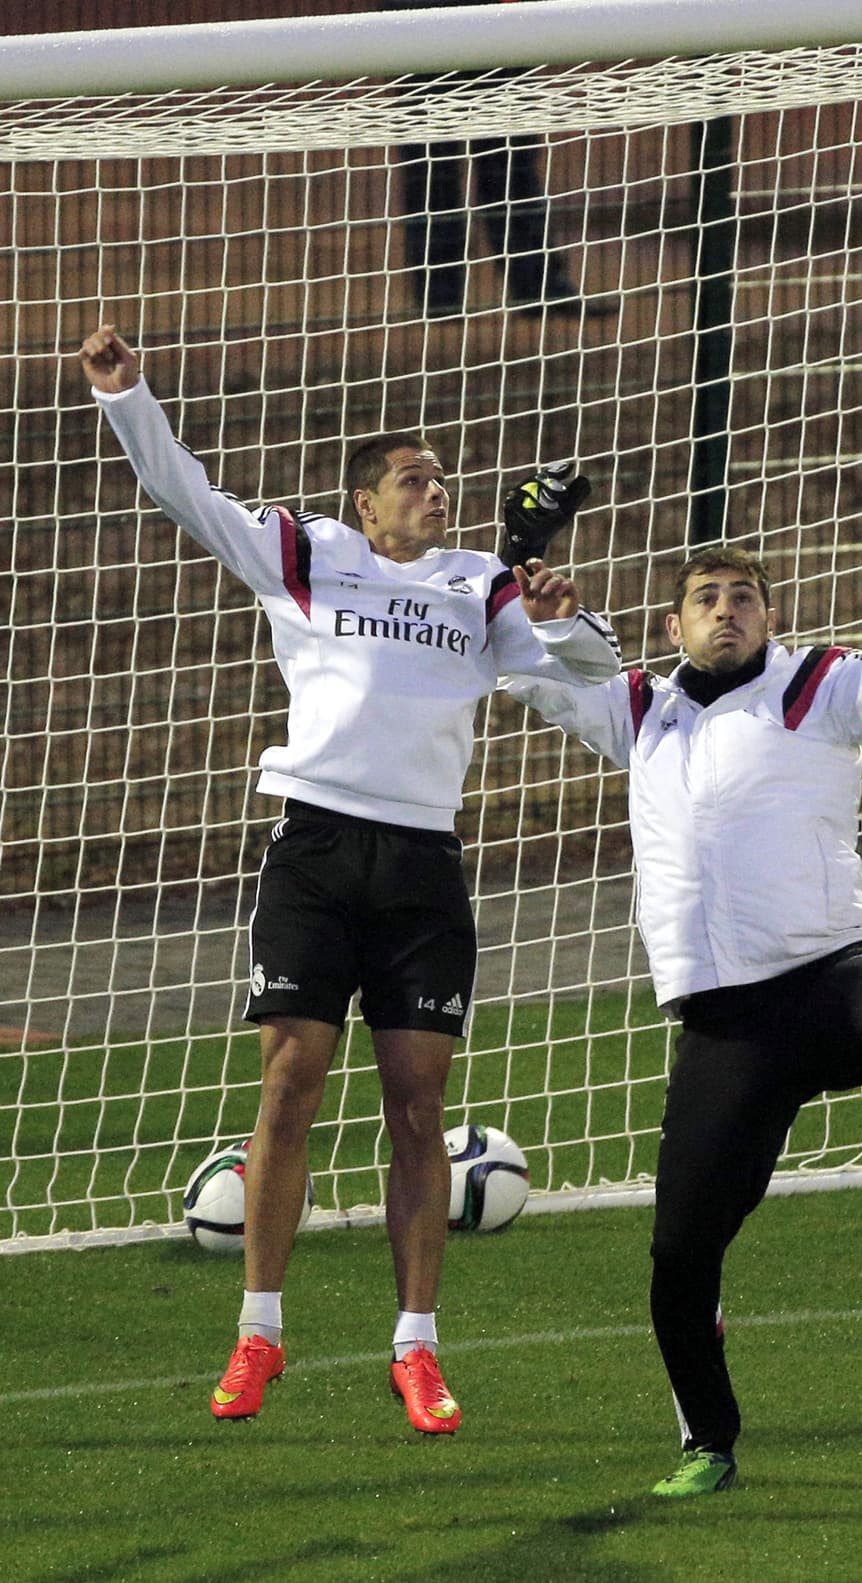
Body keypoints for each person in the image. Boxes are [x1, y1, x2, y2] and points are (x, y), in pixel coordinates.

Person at [504, 427, 862, 1499]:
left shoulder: (814, 685)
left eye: (745, 596)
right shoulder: (636, 709)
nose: (728, 608)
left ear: (769, 615)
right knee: (679, 1260)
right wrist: (518, 561)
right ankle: (706, 1442)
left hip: (827, 975)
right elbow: (539, 667)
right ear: (671, 623)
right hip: (723, 1026)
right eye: (707, 596)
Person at [78, 323, 619, 1434]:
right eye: (413, 478)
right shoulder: (306, 552)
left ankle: (415, 1349)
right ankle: (259, 1334)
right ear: (365, 503)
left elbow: (587, 684)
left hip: (424, 863)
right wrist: (129, 395)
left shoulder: (484, 585)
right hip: (317, 849)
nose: (435, 491)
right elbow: (186, 495)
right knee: (290, 1085)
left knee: (418, 1108)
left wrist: (566, 621)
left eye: (442, 479)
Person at [391, 0, 613, 320]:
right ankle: (439, 297)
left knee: (511, 164)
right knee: (432, 169)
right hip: (423, 24)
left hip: (497, 26)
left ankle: (539, 286)